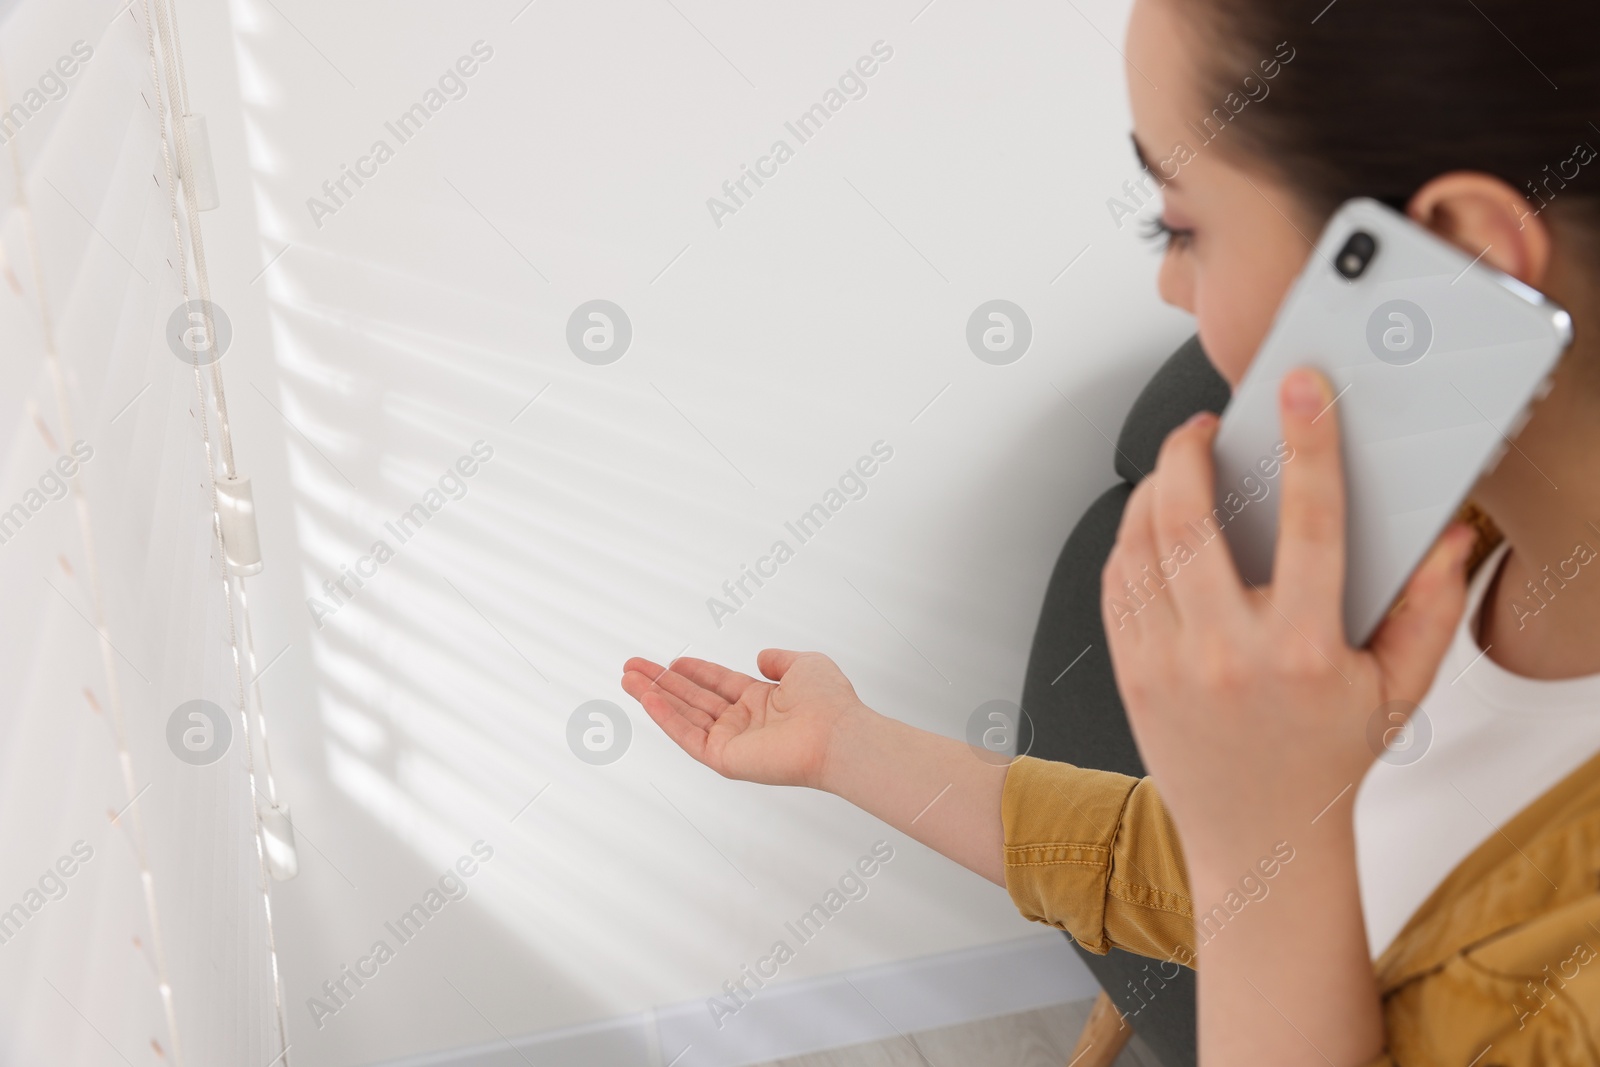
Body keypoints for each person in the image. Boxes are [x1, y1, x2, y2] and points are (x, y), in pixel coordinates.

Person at [622, 0, 1600, 1062]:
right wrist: (846, 745)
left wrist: (1257, 837)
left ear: (1456, 255)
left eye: (1179, 225)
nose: (1169, 285)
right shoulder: (1440, 538)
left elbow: (1256, 868)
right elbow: (1204, 869)